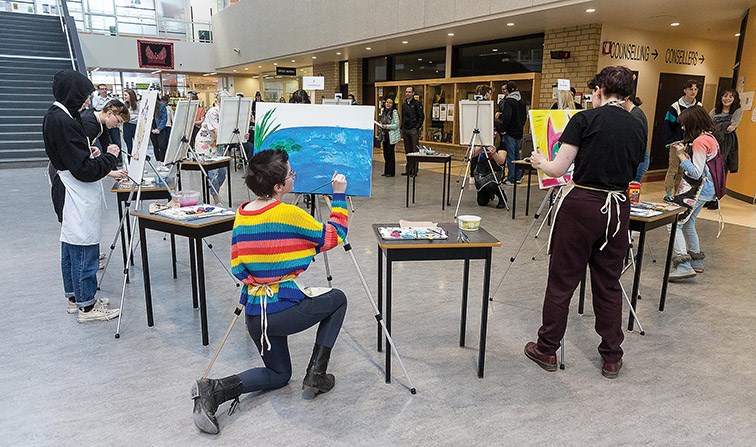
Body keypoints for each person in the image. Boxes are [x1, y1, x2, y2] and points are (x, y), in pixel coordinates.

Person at [191, 149, 348, 434]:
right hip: (279, 312)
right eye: (290, 174)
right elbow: (334, 235)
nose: (294, 176)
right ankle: (316, 374)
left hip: (255, 314)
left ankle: (213, 390)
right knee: (337, 299)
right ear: (277, 186)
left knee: (279, 375)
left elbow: (240, 264)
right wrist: (339, 195)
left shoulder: (242, 213)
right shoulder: (288, 213)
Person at [524, 66, 645, 379]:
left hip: (581, 206)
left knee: (563, 279)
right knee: (608, 283)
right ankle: (612, 357)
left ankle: (547, 347)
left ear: (601, 90)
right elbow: (633, 169)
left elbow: (557, 168)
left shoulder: (584, 119)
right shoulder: (637, 126)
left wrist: (539, 162)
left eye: (593, 91)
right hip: (618, 208)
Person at [43, 69, 123, 322]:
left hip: (69, 187)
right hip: (74, 191)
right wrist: (110, 157)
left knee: (71, 244)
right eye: (84, 96)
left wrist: (84, 151)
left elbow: (72, 155)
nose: (88, 102)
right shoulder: (63, 120)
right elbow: (84, 170)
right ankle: (87, 306)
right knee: (84, 247)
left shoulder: (58, 116)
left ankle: (75, 298)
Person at [668, 106, 718, 281]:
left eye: (684, 125)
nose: (682, 128)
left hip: (696, 190)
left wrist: (681, 156)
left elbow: (696, 172)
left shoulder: (699, 142)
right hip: (708, 190)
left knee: (674, 223)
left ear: (692, 123)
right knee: (688, 223)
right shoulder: (710, 138)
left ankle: (683, 265)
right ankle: (696, 262)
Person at [663, 79, 702, 202]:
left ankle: (678, 192)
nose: (693, 92)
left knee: (684, 169)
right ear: (685, 90)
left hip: (692, 143)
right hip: (677, 143)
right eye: (691, 89)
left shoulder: (699, 107)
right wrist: (671, 142)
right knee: (673, 168)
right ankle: (668, 192)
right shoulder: (675, 107)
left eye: (695, 89)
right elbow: (667, 125)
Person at [472, 84, 507, 209]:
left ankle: (500, 194)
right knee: (482, 202)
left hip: (494, 170)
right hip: (481, 171)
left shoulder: (500, 143)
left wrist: (494, 152)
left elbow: (502, 161)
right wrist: (481, 147)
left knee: (491, 184)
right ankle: (488, 191)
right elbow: (471, 155)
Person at [496, 81, 527, 185]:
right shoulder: (521, 100)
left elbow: (507, 117)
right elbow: (524, 117)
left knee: (511, 156)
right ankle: (518, 177)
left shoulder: (509, 101)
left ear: (508, 90)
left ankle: (511, 178)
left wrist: (503, 128)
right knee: (517, 155)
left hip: (510, 132)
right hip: (519, 132)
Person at [710, 89, 741, 176]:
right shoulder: (714, 111)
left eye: (730, 97)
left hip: (726, 142)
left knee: (722, 166)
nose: (727, 98)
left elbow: (731, 128)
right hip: (713, 140)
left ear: (735, 99)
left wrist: (716, 127)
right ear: (721, 98)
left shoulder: (737, 111)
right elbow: (707, 124)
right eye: (725, 96)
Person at [624, 95, 650, 182]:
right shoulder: (634, 112)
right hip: (639, 156)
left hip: (638, 159)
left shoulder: (635, 115)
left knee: (632, 189)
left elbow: (635, 141)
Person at [400, 86, 424, 176]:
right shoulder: (404, 104)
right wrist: (402, 127)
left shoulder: (417, 103)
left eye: (410, 92)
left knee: (414, 150)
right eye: (406, 92)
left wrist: (416, 127)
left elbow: (421, 116)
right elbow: (403, 116)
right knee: (408, 151)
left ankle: (414, 171)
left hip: (413, 130)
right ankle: (408, 170)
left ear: (413, 93)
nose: (408, 93)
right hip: (406, 129)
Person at [379, 97, 400, 177]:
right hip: (385, 135)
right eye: (387, 102)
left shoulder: (394, 112)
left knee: (390, 153)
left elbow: (396, 125)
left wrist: (387, 126)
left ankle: (391, 172)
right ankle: (386, 171)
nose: (388, 104)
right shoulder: (384, 111)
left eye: (390, 102)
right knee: (385, 153)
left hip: (391, 135)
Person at [122, 89, 139, 155]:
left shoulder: (139, 104)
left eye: (126, 95)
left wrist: (129, 117)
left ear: (131, 95)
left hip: (136, 126)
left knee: (138, 146)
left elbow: (140, 116)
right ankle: (130, 163)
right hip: (126, 125)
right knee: (129, 147)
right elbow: (123, 116)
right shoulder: (124, 104)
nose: (125, 96)